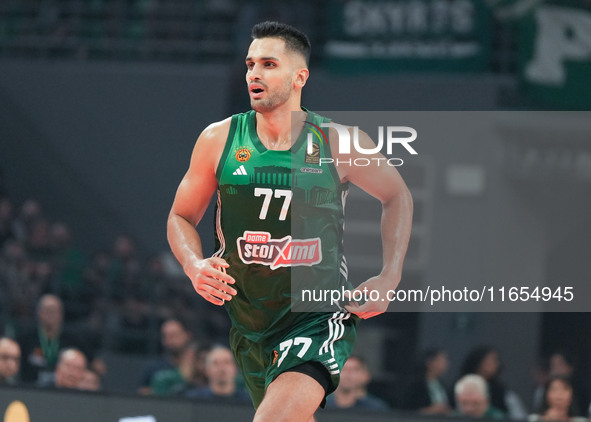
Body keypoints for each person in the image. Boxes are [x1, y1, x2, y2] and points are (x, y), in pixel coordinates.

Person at [167, 20, 412, 422]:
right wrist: (193, 265)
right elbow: (180, 215)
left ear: (299, 77)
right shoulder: (219, 138)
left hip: (315, 316)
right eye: (249, 65)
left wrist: (390, 276)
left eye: (268, 64)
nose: (254, 74)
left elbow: (397, 194)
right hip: (249, 324)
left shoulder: (337, 140)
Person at [138, 318, 193, 395]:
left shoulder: (199, 367)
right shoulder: (153, 369)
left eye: (174, 335)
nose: (170, 340)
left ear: (187, 335)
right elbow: (143, 398)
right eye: (166, 336)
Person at [185, 345, 250, 402]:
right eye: (216, 363)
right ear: (206, 370)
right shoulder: (194, 400)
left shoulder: (249, 401)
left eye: (227, 362)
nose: (222, 368)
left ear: (235, 369)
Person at [325, 355, 389, 411]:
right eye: (343, 369)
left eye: (355, 369)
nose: (348, 374)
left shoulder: (376, 408)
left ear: (366, 376)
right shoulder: (320, 405)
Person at [405, 347, 452, 415]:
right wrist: (431, 410)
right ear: (429, 363)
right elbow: (407, 411)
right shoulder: (415, 386)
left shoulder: (443, 385)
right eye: (442, 360)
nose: (446, 363)